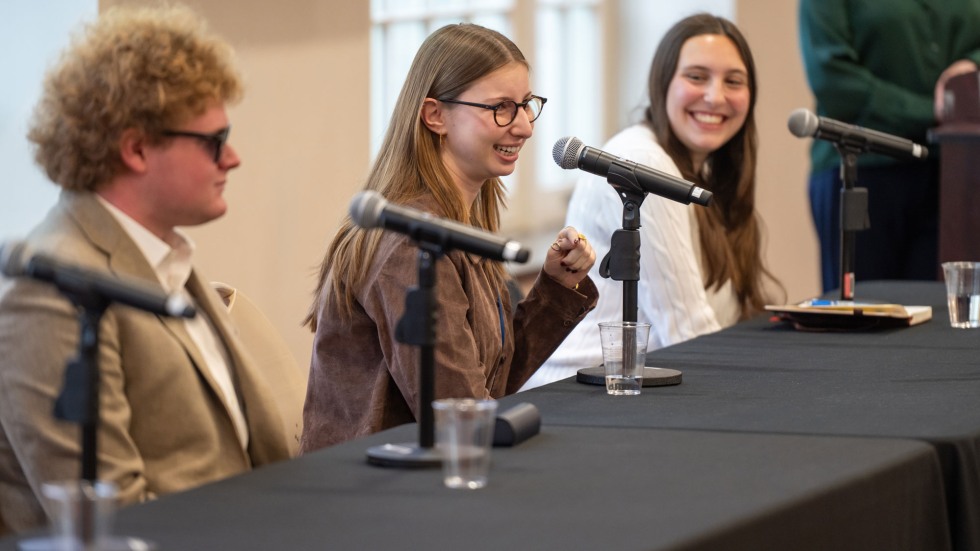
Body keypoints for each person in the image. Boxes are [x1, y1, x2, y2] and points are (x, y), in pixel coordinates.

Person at [0, 6, 298, 535]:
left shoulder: (165, 257)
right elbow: (110, 521)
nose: (232, 158)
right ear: (136, 149)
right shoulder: (51, 290)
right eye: (213, 139)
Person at [300, 23, 598, 451]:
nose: (525, 127)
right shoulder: (410, 243)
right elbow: (462, 417)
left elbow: (489, 384)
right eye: (500, 108)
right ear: (435, 115)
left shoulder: (457, 222)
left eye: (526, 105)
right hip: (372, 492)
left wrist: (554, 288)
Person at [523, 13, 780, 389]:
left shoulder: (703, 168)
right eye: (696, 77)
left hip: (647, 388)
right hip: (580, 392)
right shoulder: (643, 160)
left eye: (733, 81)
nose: (715, 95)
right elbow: (687, 330)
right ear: (662, 84)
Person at [799, 0, 980, 292]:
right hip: (862, 170)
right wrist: (932, 111)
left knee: (937, 319)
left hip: (952, 174)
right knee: (861, 316)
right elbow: (832, 76)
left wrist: (972, 65)